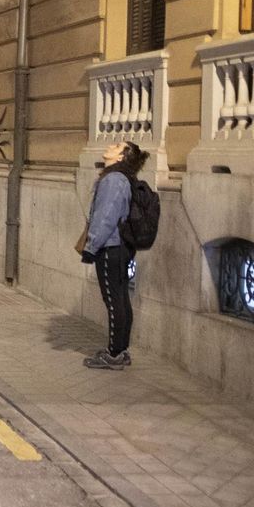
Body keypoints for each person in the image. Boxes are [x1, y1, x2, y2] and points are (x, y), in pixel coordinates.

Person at [78, 140, 148, 370]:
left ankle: (115, 354)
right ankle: (120, 349)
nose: (111, 145)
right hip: (118, 246)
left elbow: (105, 217)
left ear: (121, 157)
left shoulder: (113, 180)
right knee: (119, 297)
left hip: (111, 246)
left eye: (117, 145)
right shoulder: (119, 177)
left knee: (113, 299)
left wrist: (91, 247)